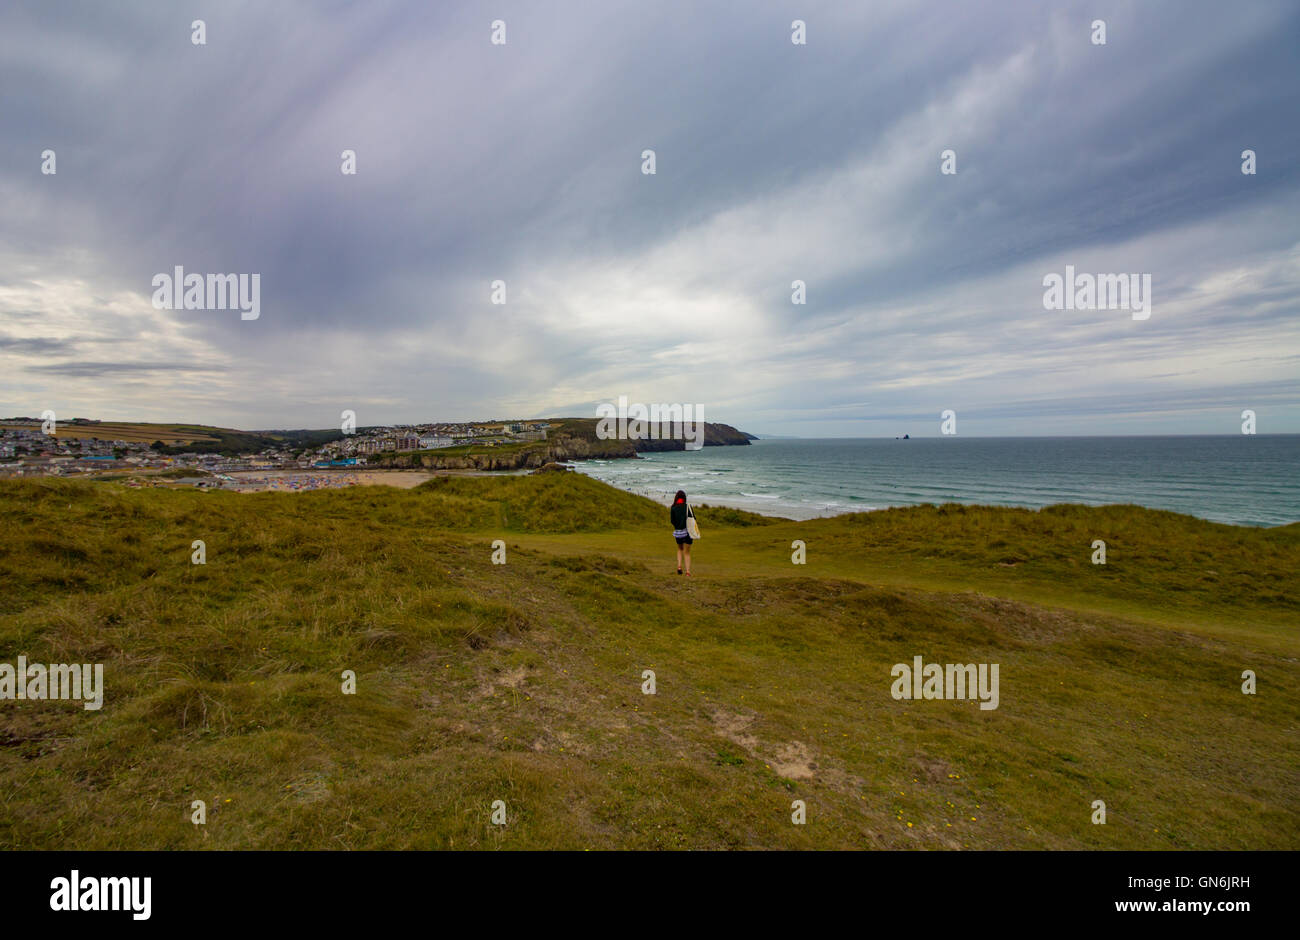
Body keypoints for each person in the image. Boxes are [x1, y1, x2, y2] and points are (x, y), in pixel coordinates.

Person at [670, 489, 694, 576]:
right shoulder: (688, 506)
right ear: (684, 498)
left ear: (676, 497)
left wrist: (677, 526)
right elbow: (693, 519)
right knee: (687, 553)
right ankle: (688, 572)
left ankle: (679, 566)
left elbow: (672, 521)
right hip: (688, 532)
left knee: (680, 549)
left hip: (678, 532)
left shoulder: (673, 508)